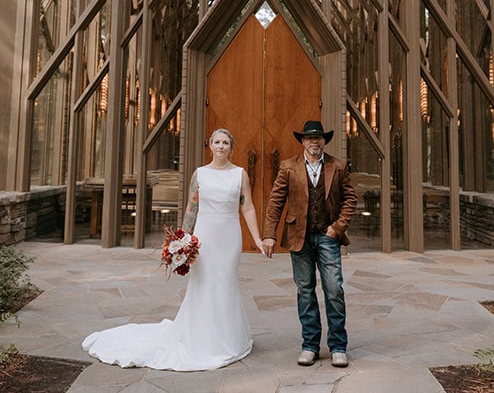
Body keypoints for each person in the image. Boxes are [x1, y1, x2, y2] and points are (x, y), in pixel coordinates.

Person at [83, 128, 264, 371]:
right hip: (206, 236)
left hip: (229, 236)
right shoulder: (199, 174)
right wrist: (181, 240)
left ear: (232, 147)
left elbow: (248, 207)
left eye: (226, 143)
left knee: (226, 282)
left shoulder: (240, 175)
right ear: (210, 145)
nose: (221, 146)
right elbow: (192, 207)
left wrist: (258, 239)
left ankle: (228, 338)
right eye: (217, 142)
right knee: (204, 283)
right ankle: (202, 337)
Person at [262, 120, 357, 368]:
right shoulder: (288, 167)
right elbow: (275, 203)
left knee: (334, 289)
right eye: (309, 138)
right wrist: (269, 234)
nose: (314, 142)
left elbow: (350, 199)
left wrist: (337, 228)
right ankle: (310, 345)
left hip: (328, 237)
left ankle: (337, 346)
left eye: (318, 138)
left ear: (324, 141)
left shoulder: (338, 166)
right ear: (302, 141)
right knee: (305, 291)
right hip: (299, 236)